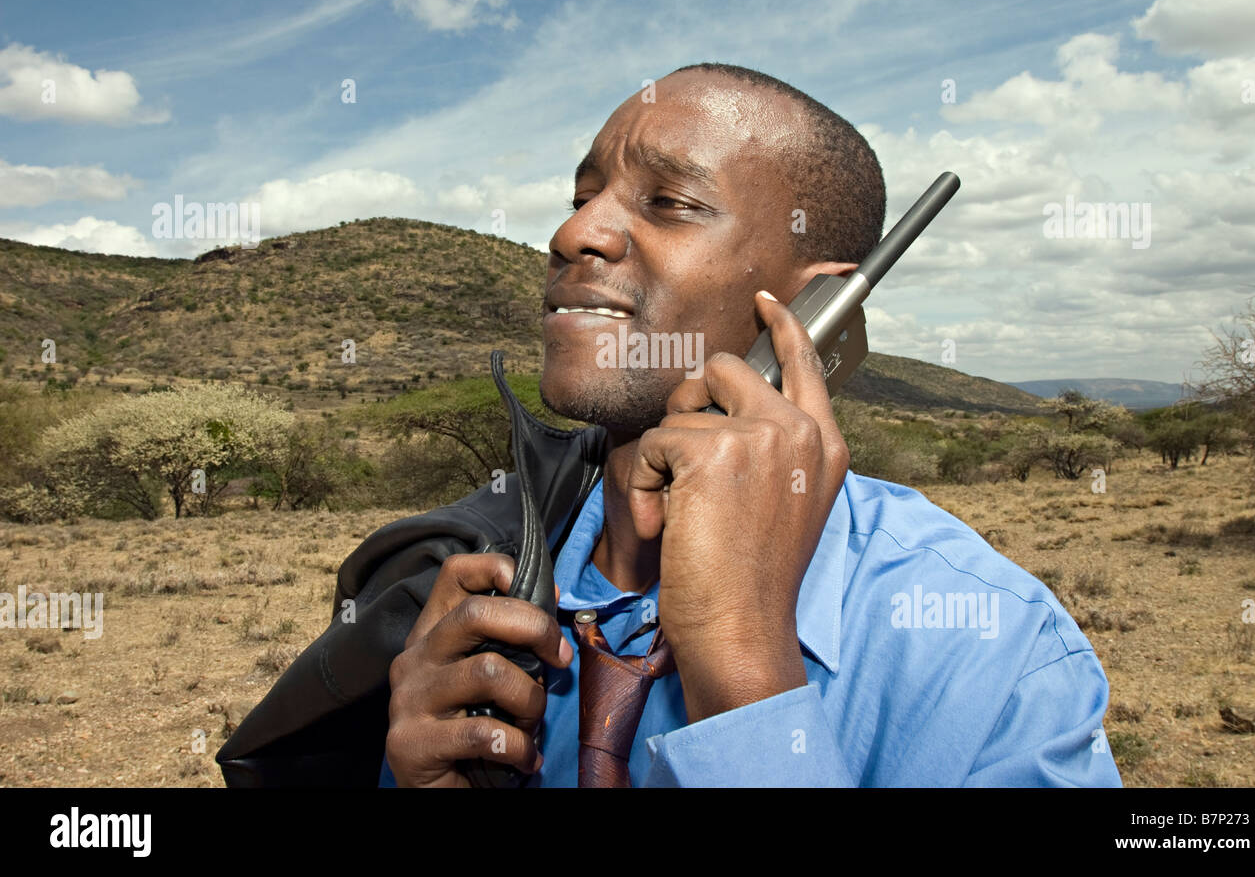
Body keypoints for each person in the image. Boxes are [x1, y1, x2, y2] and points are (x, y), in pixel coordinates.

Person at [218, 63, 1123, 788]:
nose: (576, 232)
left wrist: (742, 675)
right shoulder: (466, 587)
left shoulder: (991, 649)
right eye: (583, 194)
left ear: (811, 311)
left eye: (670, 203)